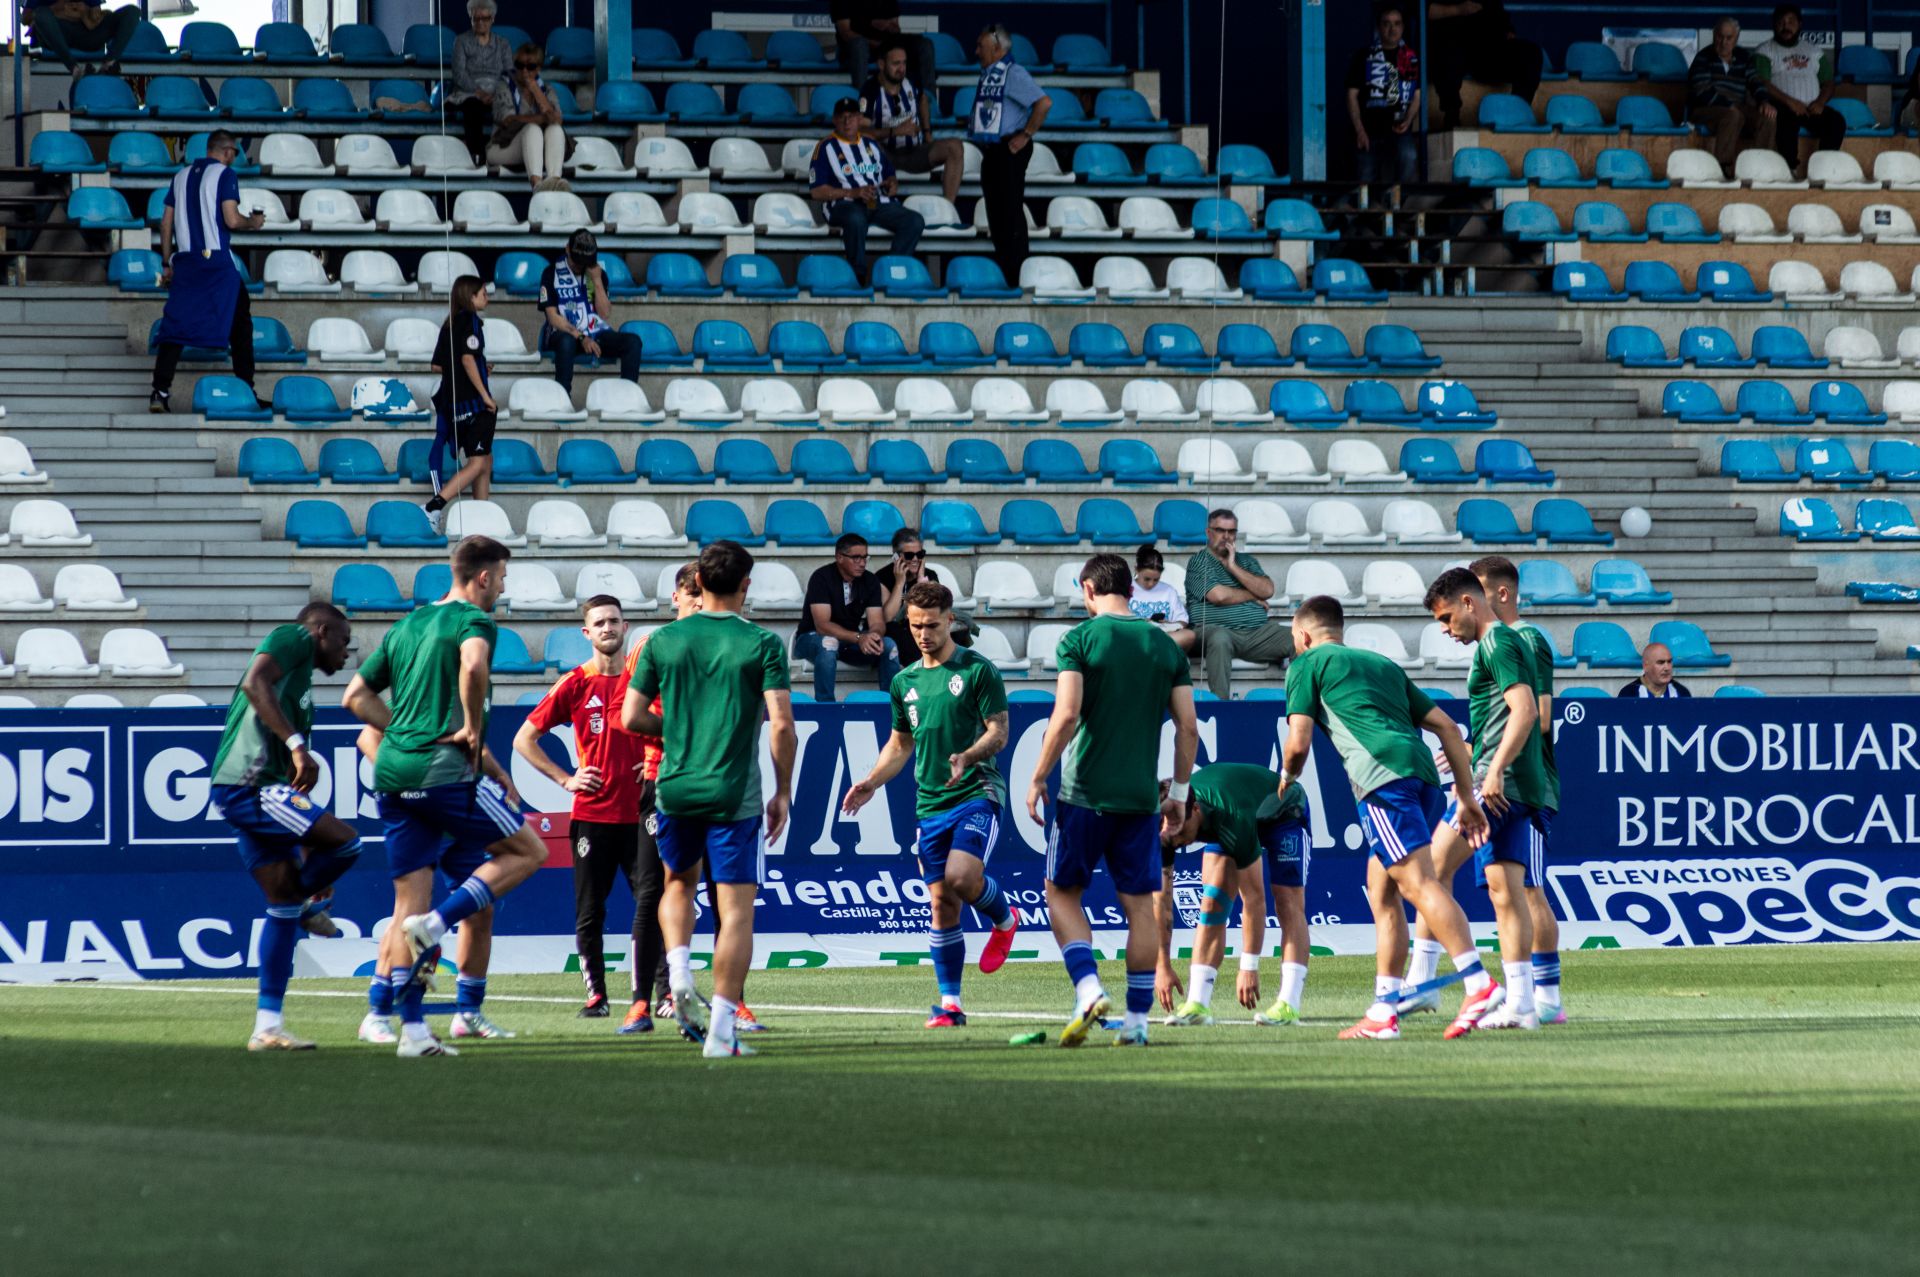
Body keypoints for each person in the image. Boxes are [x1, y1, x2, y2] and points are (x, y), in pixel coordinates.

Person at [343, 535, 549, 1057]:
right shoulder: (474, 621)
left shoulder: (406, 624)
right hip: (443, 776)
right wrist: (473, 725)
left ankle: (396, 1022)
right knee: (528, 852)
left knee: (407, 908)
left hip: (394, 778)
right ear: (482, 577)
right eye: (501, 577)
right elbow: (474, 668)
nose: (502, 588)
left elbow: (355, 697)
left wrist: (411, 733)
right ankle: (439, 928)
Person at [1281, 594, 1499, 1041]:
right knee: (1381, 889)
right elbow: (1449, 729)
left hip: (1382, 779)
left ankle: (1479, 984)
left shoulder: (1305, 665)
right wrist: (1463, 793)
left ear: (1303, 635)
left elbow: (1298, 741)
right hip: (1420, 775)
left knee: (1420, 885)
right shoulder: (1382, 664)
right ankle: (1385, 1009)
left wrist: (1285, 777)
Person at [622, 541, 798, 1059]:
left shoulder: (661, 641)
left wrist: (676, 733)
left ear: (696, 581)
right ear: (747, 585)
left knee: (677, 884)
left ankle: (677, 970)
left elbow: (631, 718)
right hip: (733, 792)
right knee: (736, 910)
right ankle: (722, 1028)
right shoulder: (763, 643)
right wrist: (783, 790)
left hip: (674, 786)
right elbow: (782, 726)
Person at [1026, 553, 1199, 1047]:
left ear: (1088, 589)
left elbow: (1065, 716)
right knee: (1140, 907)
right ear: (1131, 589)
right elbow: (1187, 727)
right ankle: (1139, 1022)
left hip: (1084, 793)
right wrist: (1180, 795)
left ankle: (1087, 989)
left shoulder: (1080, 639)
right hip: (1140, 799)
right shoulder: (1163, 646)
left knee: (1061, 892)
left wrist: (1038, 775)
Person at [842, 581, 1020, 1027]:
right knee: (941, 903)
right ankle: (951, 1004)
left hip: (977, 792)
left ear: (951, 620)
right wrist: (871, 782)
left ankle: (1004, 917)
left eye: (932, 625)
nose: (923, 633)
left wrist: (969, 755)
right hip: (930, 804)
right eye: (916, 625)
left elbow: (998, 731)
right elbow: (900, 746)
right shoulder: (904, 681)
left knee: (962, 877)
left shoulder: (977, 670)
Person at [210, 603, 360, 1050]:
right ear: (321, 630)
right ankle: (311, 902)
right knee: (348, 845)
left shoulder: (301, 683)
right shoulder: (292, 639)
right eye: (343, 641)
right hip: (250, 786)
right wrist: (297, 745)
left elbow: (296, 795)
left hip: (259, 792)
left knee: (281, 907)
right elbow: (256, 681)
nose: (346, 653)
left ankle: (267, 1027)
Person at [1419, 568, 1552, 1031]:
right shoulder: (1505, 644)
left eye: (1446, 616)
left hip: (1497, 785)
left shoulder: (1497, 644)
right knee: (1505, 892)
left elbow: (1527, 711)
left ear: (1469, 603)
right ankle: (1521, 1003)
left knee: (1429, 870)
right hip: (1517, 784)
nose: (1445, 628)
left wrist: (1492, 770)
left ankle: (1441, 984)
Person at [512, 595, 655, 1026]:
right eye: (600, 623)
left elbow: (675, 725)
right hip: (592, 815)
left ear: (625, 627)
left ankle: (659, 994)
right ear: (586, 632)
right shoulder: (575, 683)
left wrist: (653, 752)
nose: (608, 628)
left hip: (643, 815)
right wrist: (565, 779)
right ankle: (597, 996)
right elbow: (524, 739)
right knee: (590, 911)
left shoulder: (644, 684)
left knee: (655, 905)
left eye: (614, 621)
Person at [1465, 556, 1564, 1024]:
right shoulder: (1497, 643)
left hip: (1528, 783)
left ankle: (1545, 998)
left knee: (1529, 889)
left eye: (1478, 591)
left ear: (1500, 594)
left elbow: (1540, 716)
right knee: (1515, 889)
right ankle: (1529, 994)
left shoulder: (1526, 640)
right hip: (1508, 776)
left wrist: (1494, 759)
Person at [1157, 764, 1313, 1028]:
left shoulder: (1230, 816)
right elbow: (1161, 902)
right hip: (1229, 814)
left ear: (1195, 811)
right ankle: (1197, 1003)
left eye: (1182, 832)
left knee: (1288, 903)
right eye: (1171, 834)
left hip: (1282, 812)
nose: (1178, 840)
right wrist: (1162, 964)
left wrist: (1249, 966)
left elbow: (1253, 899)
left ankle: (1288, 1003)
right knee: (1212, 902)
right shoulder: (1165, 831)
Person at [149, 131, 265, 415]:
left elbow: (166, 224)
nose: (234, 158)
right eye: (235, 152)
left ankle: (159, 391)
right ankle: (246, 390)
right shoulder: (225, 175)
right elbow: (231, 219)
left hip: (186, 261)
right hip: (216, 263)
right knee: (240, 322)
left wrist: (167, 263)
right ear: (227, 151)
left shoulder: (180, 176)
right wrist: (254, 222)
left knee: (175, 325)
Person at [810, 97, 925, 282]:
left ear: (859, 119)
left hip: (876, 202)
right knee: (856, 218)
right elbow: (816, 192)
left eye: (852, 116)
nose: (847, 122)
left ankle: (892, 272)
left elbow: (890, 174)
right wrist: (852, 193)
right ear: (834, 120)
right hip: (842, 205)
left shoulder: (871, 144)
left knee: (914, 221)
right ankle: (858, 277)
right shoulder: (824, 147)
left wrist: (891, 183)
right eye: (842, 117)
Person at [968, 24, 1051, 281]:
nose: (976, 51)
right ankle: (1007, 270)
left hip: (1008, 150)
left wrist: (1025, 134)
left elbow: (1043, 103)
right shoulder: (992, 72)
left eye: (981, 46)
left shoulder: (1013, 73)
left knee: (1009, 213)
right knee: (998, 214)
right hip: (993, 151)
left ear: (996, 48)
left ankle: (1016, 272)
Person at [1184, 508, 1292, 700]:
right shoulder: (1199, 562)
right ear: (1209, 533)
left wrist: (1233, 567)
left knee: (1300, 638)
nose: (1226, 536)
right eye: (1220, 530)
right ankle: (1221, 706)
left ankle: (1302, 703)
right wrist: (1251, 595)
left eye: (1231, 531)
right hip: (1213, 631)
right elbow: (1218, 596)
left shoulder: (1246, 561)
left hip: (1256, 633)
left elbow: (1267, 590)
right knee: (1220, 637)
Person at [421, 276, 495, 533]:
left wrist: (478, 368)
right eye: (483, 292)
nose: (487, 296)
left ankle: (480, 519)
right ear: (470, 297)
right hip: (474, 405)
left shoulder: (449, 324)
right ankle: (433, 505)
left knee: (486, 461)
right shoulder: (471, 321)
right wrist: (485, 396)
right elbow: (465, 359)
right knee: (477, 463)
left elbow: (437, 365)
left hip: (454, 407)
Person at [793, 533, 902, 702]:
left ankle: (891, 707)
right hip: (811, 638)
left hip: (849, 642)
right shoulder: (821, 577)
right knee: (829, 643)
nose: (862, 563)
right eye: (856, 558)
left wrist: (874, 635)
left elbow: (877, 621)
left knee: (888, 645)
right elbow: (822, 625)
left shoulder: (870, 580)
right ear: (839, 557)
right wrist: (859, 637)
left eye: (865, 557)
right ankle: (826, 707)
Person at [536, 229, 643, 393]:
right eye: (576, 261)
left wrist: (597, 280)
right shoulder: (551, 273)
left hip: (595, 331)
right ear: (567, 249)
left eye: (583, 263)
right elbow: (553, 318)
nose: (579, 266)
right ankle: (562, 398)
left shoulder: (596, 274)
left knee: (633, 342)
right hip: (563, 333)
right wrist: (581, 337)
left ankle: (628, 396)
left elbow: (604, 314)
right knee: (566, 342)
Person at [862, 42, 964, 204]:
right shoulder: (870, 89)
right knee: (866, 144)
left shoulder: (911, 79)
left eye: (904, 62)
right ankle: (876, 205)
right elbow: (861, 131)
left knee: (955, 146)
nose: (901, 68)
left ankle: (948, 207)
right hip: (886, 156)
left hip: (915, 152)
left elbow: (922, 99)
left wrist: (927, 132)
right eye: (896, 64)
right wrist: (894, 132)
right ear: (881, 64)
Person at [1425, 0, 1544, 131]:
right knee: (1448, 51)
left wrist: (1508, 31)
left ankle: (1517, 110)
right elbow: (1426, 11)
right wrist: (1459, 9)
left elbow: (1499, 14)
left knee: (1531, 53)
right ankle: (1451, 116)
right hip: (1452, 47)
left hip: (1487, 51)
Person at [1755, 5, 1843, 174]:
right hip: (1783, 105)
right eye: (1780, 22)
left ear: (1800, 24)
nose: (1785, 26)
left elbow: (1828, 83)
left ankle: (1823, 169)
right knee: (1786, 119)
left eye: (1790, 22)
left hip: (1811, 107)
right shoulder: (1765, 50)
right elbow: (1763, 82)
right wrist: (1790, 102)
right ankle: (1789, 169)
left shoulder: (1814, 51)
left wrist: (1820, 102)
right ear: (1774, 25)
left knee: (1836, 121)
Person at [1346, 7, 1422, 185]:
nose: (1392, 29)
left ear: (1403, 27)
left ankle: (1400, 207)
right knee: (1365, 180)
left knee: (1409, 156)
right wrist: (1359, 130)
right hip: (1369, 129)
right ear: (1378, 27)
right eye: (1386, 24)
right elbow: (1351, 95)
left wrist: (1408, 121)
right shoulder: (1363, 56)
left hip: (1399, 129)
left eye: (1397, 24)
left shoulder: (1410, 58)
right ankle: (1364, 211)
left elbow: (1417, 95)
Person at [1688, 18, 1777, 168]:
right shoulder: (1703, 57)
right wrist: (1728, 105)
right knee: (1733, 115)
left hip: (1736, 108)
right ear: (1714, 35)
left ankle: (1761, 167)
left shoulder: (1743, 57)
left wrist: (1764, 101)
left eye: (1729, 38)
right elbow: (1702, 91)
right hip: (1705, 110)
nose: (1724, 42)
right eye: (1719, 36)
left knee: (1767, 117)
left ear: (1736, 38)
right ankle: (1724, 168)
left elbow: (1755, 81)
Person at [876, 527, 971, 660]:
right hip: (900, 632)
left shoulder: (929, 575)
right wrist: (899, 583)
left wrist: (921, 582)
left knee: (956, 627)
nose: (915, 559)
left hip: (924, 625)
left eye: (920, 554)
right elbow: (887, 617)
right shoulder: (882, 577)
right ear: (896, 555)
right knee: (896, 629)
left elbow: (936, 610)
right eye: (909, 555)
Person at [488, 42, 568, 190]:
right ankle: (537, 186)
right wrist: (544, 118)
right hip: (503, 146)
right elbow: (509, 120)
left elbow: (558, 120)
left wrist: (536, 91)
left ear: (538, 68)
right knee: (532, 129)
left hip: (537, 149)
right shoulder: (503, 86)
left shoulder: (546, 89)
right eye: (519, 65)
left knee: (555, 130)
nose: (524, 71)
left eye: (530, 67)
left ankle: (554, 183)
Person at [450, 0, 516, 165]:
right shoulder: (461, 41)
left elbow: (509, 73)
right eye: (475, 19)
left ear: (492, 19)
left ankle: (505, 154)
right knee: (473, 106)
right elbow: (459, 74)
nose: (480, 22)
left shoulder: (503, 44)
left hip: (497, 90)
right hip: (470, 91)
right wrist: (479, 92)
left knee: (508, 105)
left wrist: (496, 93)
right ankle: (477, 156)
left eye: (484, 18)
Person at [831, 0, 934, 94]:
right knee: (859, 45)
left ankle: (929, 101)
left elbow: (896, 29)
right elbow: (845, 32)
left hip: (886, 47)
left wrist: (888, 26)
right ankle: (861, 102)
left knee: (925, 45)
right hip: (854, 52)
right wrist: (872, 29)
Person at [24, 0, 140, 76]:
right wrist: (55, 9)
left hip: (86, 33)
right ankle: (75, 69)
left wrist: (83, 12)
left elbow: (95, 14)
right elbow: (25, 18)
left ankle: (108, 64)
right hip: (57, 35)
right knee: (41, 14)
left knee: (132, 11)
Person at [1129, 544, 1195, 654]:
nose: (1151, 584)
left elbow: (1182, 621)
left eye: (1156, 580)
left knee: (1189, 635)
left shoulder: (1168, 591)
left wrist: (1169, 624)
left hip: (1164, 636)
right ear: (1137, 569)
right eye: (1147, 579)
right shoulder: (1126, 589)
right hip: (1137, 636)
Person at [1619, 643, 1691, 698]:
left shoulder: (1682, 692)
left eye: (1669, 662)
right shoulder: (1629, 694)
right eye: (1660, 662)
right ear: (1645, 666)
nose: (1667, 668)